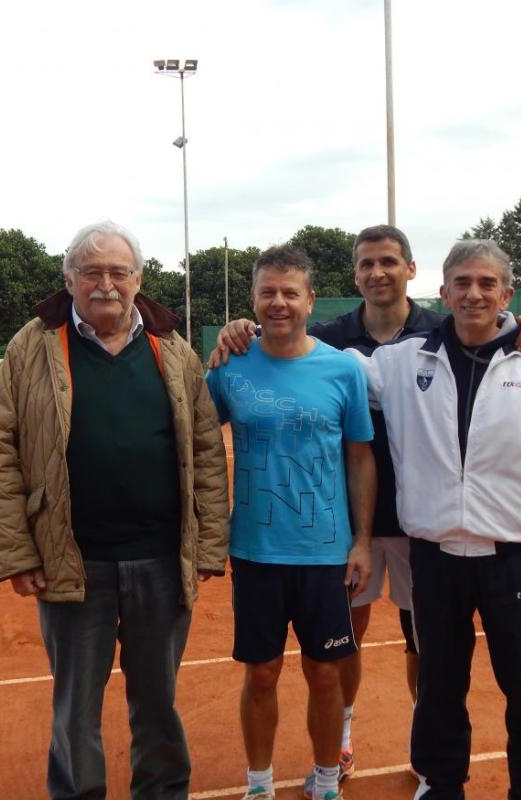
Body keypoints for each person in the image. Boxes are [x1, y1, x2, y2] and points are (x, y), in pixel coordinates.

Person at [211, 225, 521, 782]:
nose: (378, 273)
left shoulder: (438, 330)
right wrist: (241, 329)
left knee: (425, 643)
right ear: (354, 275)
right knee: (348, 639)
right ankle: (342, 739)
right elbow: (287, 350)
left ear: (412, 271)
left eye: (389, 262)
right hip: (352, 523)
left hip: (426, 523)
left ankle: (430, 745)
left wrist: (520, 326)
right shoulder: (333, 337)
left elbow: (485, 326)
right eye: (367, 264)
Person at [0, 220, 230, 800]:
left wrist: (209, 543)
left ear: (139, 279)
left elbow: (208, 454)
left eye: (119, 271)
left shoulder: (175, 351)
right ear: (69, 280)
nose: (106, 283)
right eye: (92, 272)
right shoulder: (30, 346)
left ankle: (162, 791)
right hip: (72, 563)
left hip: (162, 562)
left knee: (157, 701)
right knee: (74, 706)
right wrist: (16, 552)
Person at [348, 239, 521, 800]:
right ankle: (440, 783)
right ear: (444, 291)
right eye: (462, 282)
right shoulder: (402, 362)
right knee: (438, 685)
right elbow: (323, 363)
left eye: (486, 284)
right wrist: (253, 330)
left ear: (507, 294)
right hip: (434, 558)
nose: (473, 293)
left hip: (515, 560)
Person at [206, 244, 376, 800]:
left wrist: (363, 541)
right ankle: (259, 785)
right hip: (255, 550)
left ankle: (326, 779)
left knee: (325, 673)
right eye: (267, 293)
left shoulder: (342, 368)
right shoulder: (229, 365)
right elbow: (197, 441)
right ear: (253, 300)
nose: (278, 303)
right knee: (260, 674)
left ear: (310, 299)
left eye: (290, 293)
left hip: (326, 553)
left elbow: (359, 458)